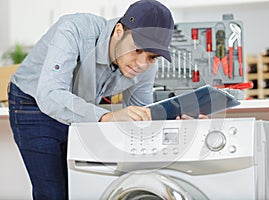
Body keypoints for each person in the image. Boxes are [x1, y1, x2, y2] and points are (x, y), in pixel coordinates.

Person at [8, 0, 204, 199]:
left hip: (79, 106)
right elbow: (50, 95)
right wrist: (107, 118)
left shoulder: (145, 63)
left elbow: (142, 114)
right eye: (137, 50)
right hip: (33, 103)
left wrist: (176, 124)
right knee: (53, 192)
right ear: (119, 31)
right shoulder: (74, 30)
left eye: (152, 57)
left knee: (80, 187)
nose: (141, 63)